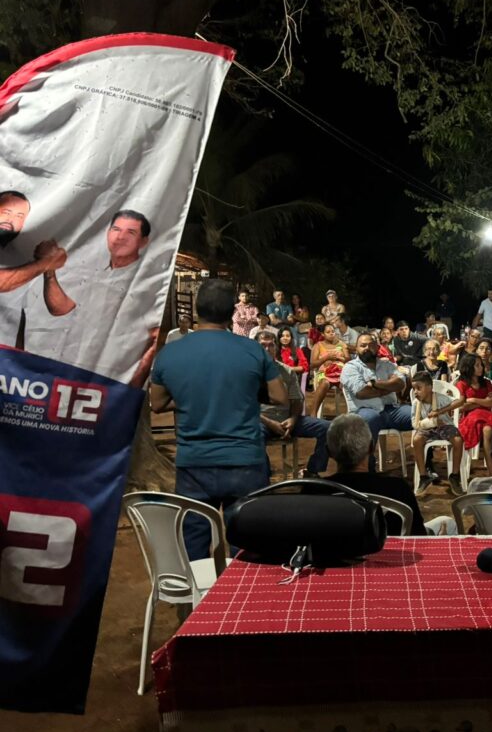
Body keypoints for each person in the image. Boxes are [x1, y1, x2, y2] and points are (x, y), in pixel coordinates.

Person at [150, 279, 287, 560]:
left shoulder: (170, 353)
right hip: (245, 461)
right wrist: (243, 393)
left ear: (197, 312)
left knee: (195, 551)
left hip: (194, 463)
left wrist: (193, 396)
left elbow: (158, 403)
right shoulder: (252, 350)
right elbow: (279, 397)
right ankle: (245, 601)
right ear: (231, 315)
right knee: (249, 549)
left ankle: (198, 602)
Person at [23, 209, 159, 385]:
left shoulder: (148, 281)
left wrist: (132, 387)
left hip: (112, 381)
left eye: (130, 232)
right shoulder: (98, 273)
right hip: (75, 373)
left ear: (143, 241)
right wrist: (49, 269)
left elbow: (155, 337)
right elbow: (62, 308)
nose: (120, 237)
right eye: (116, 229)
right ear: (108, 233)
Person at [324, 414, 456, 536]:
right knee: (448, 523)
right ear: (371, 447)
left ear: (328, 451)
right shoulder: (397, 489)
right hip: (393, 556)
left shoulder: (314, 489)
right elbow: (417, 535)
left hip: (333, 559)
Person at [255, 330, 330, 477]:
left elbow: (297, 400)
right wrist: (271, 424)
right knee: (253, 435)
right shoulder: (247, 372)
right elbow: (246, 406)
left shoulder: (286, 371)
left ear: (276, 348)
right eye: (263, 345)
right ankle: (263, 476)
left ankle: (313, 470)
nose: (267, 349)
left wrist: (293, 419)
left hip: (287, 419)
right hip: (261, 420)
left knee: (329, 428)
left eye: (271, 345)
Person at [0, 190, 68, 347]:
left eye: (19, 216)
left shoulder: (19, 258)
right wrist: (46, 263)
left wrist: (49, 270)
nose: (11, 220)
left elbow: (60, 309)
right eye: (6, 212)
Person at [340, 332, 413, 465]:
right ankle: (366, 468)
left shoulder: (388, 365)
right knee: (370, 419)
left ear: (378, 347)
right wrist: (387, 387)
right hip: (363, 410)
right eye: (362, 345)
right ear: (356, 349)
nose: (367, 348)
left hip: (392, 411)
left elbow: (400, 384)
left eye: (371, 345)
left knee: (420, 415)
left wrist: (374, 384)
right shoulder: (350, 367)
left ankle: (426, 465)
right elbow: (361, 392)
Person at [410, 371, 465, 494]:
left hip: (444, 426)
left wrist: (440, 412)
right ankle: (424, 476)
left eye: (419, 388)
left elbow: (459, 401)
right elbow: (414, 423)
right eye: (414, 389)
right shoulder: (415, 403)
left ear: (429, 388)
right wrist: (428, 423)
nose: (415, 392)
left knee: (458, 440)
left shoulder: (440, 398)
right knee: (417, 440)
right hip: (425, 428)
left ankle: (455, 476)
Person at [455, 352, 492, 476]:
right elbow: (462, 407)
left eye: (481, 365)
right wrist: (483, 403)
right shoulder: (461, 384)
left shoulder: (486, 383)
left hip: (487, 416)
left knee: (488, 430)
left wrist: (473, 401)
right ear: (468, 367)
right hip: (470, 418)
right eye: (477, 365)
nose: (481, 368)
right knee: (488, 429)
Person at [308, 323, 348, 417]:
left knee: (348, 384)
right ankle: (313, 414)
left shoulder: (341, 344)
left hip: (340, 373)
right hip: (324, 373)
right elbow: (312, 364)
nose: (331, 333)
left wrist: (340, 359)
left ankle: (352, 414)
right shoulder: (318, 345)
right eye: (328, 332)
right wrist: (326, 358)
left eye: (333, 331)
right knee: (324, 383)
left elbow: (348, 360)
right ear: (323, 334)